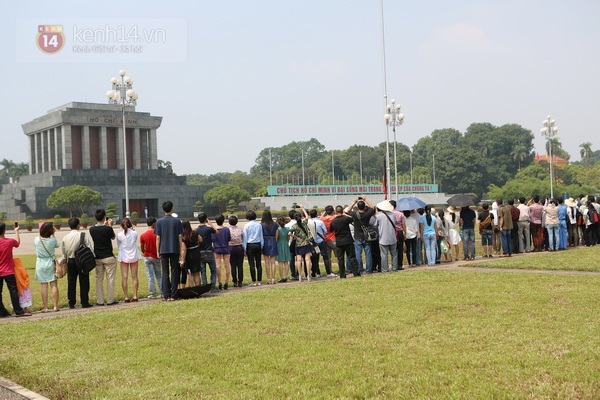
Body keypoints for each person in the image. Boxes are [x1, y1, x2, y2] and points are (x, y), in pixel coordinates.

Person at [61, 217, 95, 309]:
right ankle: (84, 302)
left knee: (71, 282)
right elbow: (90, 248)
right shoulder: (83, 235)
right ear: (78, 225)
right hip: (82, 261)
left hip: (71, 261)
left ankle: (71, 302)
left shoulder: (65, 238)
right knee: (84, 281)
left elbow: (64, 253)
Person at [155, 201, 184, 301]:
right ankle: (174, 294)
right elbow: (180, 236)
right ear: (172, 209)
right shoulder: (177, 221)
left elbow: (158, 237)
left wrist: (157, 250)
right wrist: (180, 249)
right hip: (174, 249)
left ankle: (166, 294)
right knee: (175, 271)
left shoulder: (159, 222)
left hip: (163, 249)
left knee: (165, 272)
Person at [89, 209, 118, 306]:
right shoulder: (108, 229)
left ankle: (100, 301)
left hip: (98, 257)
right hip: (108, 256)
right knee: (110, 279)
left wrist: (106, 225)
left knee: (99, 279)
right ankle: (110, 300)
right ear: (104, 217)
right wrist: (109, 225)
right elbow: (113, 237)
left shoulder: (92, 229)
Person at [0, 223, 27, 317]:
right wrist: (16, 231)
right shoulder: (9, 241)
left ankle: (1, 312)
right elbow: (17, 243)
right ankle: (18, 311)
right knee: (13, 291)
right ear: (4, 231)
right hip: (8, 271)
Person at [34, 222, 60, 312]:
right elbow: (57, 245)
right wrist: (53, 234)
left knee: (44, 286)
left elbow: (39, 238)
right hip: (50, 262)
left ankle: (45, 307)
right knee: (54, 285)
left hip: (40, 263)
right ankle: (56, 306)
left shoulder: (37, 240)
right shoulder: (52, 240)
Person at [345, 196, 375, 274]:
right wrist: (366, 200)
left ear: (357, 207)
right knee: (368, 253)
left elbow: (347, 210)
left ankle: (359, 269)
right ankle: (369, 269)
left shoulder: (354, 214)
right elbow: (372, 208)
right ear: (364, 207)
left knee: (358, 253)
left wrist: (354, 202)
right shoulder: (367, 214)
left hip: (357, 235)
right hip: (366, 235)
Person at [329, 205, 360, 278]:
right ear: (342, 211)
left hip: (339, 241)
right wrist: (345, 214)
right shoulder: (345, 219)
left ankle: (342, 275)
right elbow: (353, 219)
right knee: (352, 257)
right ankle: (356, 273)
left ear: (336, 212)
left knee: (340, 259)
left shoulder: (333, 221)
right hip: (348, 240)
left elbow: (331, 230)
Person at [117, 218, 142, 302]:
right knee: (134, 277)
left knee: (124, 277)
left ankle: (126, 297)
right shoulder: (134, 233)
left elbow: (118, 245)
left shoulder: (119, 235)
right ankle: (135, 296)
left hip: (124, 256)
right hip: (133, 255)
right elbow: (134, 239)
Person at [139, 217, 162, 299]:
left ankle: (152, 293)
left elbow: (142, 247)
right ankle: (162, 291)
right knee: (159, 275)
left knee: (150, 276)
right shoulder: (157, 234)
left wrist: (144, 252)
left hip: (147, 256)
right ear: (153, 224)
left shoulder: (143, 235)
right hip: (156, 256)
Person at [289, 207, 314, 282]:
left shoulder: (294, 226)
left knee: (299, 260)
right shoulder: (304, 222)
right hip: (306, 243)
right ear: (300, 217)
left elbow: (289, 233)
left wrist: (296, 237)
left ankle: (299, 276)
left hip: (298, 244)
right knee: (307, 259)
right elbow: (307, 216)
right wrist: (303, 208)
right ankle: (308, 275)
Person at [196, 213, 219, 293]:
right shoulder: (209, 229)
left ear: (198, 220)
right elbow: (216, 232)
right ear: (206, 219)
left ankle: (205, 286)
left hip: (201, 252)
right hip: (209, 251)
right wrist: (211, 224)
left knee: (203, 271)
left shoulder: (196, 230)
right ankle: (213, 286)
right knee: (213, 269)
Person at [374, 200, 398, 272]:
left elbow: (375, 225)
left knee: (384, 255)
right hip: (392, 237)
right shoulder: (393, 215)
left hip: (383, 238)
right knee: (394, 254)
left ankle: (385, 269)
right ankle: (395, 268)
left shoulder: (379, 216)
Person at [243, 210, 264, 286]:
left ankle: (254, 281)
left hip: (250, 245)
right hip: (258, 244)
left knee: (251, 264)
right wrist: (261, 245)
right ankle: (259, 280)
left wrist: (244, 248)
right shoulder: (259, 225)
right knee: (259, 263)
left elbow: (245, 237)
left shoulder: (246, 225)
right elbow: (261, 236)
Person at [307, 209, 329, 277]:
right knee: (325, 257)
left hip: (313, 243)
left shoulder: (308, 222)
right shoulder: (320, 222)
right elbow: (325, 231)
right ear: (316, 214)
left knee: (315, 258)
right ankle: (328, 272)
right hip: (321, 241)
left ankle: (317, 272)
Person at [212, 215, 231, 289]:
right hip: (226, 248)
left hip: (217, 248)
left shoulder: (214, 230)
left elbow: (212, 240)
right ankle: (226, 281)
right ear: (223, 220)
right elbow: (229, 239)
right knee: (227, 265)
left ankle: (219, 281)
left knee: (218, 266)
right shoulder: (226, 229)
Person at [181, 220, 201, 287]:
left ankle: (192, 288)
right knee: (197, 273)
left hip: (189, 255)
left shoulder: (183, 236)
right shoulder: (194, 233)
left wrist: (182, 260)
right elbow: (201, 240)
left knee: (190, 273)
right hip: (196, 253)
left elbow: (183, 249)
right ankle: (198, 287)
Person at [319, 205, 338, 276]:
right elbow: (338, 214)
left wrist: (324, 213)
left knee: (328, 257)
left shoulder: (322, 219)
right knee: (338, 256)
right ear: (332, 211)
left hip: (325, 238)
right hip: (333, 238)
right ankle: (341, 268)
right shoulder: (334, 218)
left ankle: (330, 270)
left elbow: (320, 218)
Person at [388, 200, 407, 269]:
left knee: (393, 249)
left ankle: (394, 264)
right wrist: (405, 233)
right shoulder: (400, 214)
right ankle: (399, 265)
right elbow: (404, 225)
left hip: (391, 232)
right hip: (400, 232)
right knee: (400, 249)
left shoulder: (388, 214)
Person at [261, 210, 278, 284]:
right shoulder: (275, 224)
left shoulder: (261, 224)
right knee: (273, 262)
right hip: (273, 240)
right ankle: (273, 278)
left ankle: (268, 278)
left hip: (265, 241)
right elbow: (277, 235)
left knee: (267, 262)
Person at [228, 215, 244, 287]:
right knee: (240, 265)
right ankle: (240, 281)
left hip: (231, 248)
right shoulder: (240, 229)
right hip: (239, 247)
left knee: (233, 265)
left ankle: (234, 281)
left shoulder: (228, 230)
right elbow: (243, 237)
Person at [275, 215, 291, 282]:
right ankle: (285, 276)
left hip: (279, 245)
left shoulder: (277, 229)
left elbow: (276, 238)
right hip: (286, 244)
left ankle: (281, 277)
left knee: (280, 262)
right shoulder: (288, 229)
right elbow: (288, 239)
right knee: (286, 262)